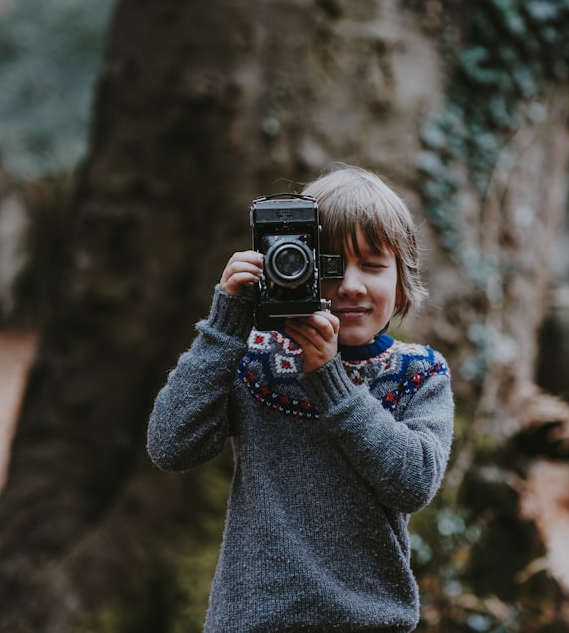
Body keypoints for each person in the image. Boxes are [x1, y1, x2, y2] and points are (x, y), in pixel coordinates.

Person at [147, 164, 454, 632]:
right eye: (330, 265)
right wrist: (226, 323)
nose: (351, 285)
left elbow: (412, 483)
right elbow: (172, 445)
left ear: (401, 280)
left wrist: (330, 380)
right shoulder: (254, 359)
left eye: (372, 266)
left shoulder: (419, 372)